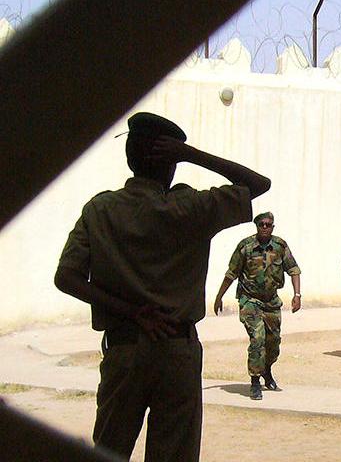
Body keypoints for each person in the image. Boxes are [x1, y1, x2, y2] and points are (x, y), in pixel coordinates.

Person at [54, 112, 271, 461]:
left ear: (128, 157)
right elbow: (259, 184)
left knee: (110, 448)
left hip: (123, 348)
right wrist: (193, 154)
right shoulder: (192, 207)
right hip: (176, 351)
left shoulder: (100, 210)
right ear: (172, 164)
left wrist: (132, 312)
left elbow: (66, 277)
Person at [213, 212, 301, 400]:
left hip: (271, 301)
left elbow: (293, 269)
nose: (264, 227)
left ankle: (266, 370)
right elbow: (231, 273)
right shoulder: (245, 246)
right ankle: (255, 381)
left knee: (273, 342)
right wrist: (219, 296)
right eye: (261, 224)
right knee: (258, 338)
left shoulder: (280, 246)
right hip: (250, 300)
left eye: (268, 224)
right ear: (256, 226)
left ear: (273, 227)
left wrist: (297, 295)